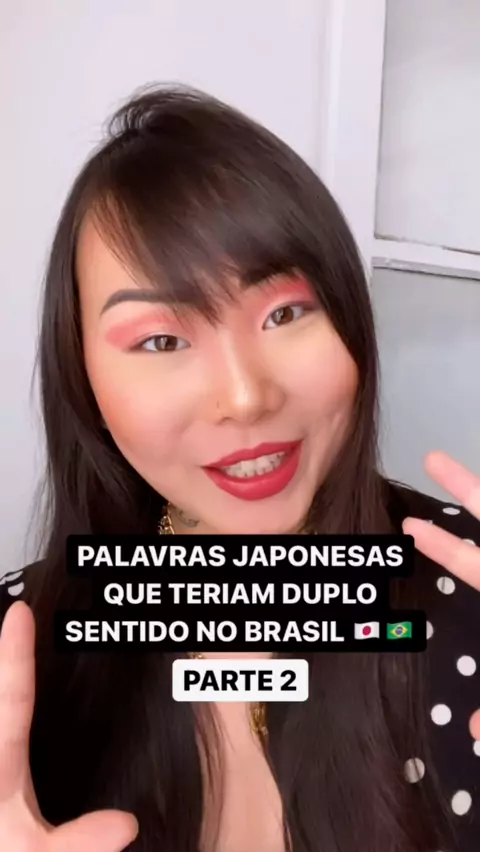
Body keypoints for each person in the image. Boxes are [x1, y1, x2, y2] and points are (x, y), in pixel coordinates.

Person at [0, 84, 479, 852]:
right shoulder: (17, 648)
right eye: (161, 340)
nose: (246, 397)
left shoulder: (468, 590)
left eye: (284, 312)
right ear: (84, 378)